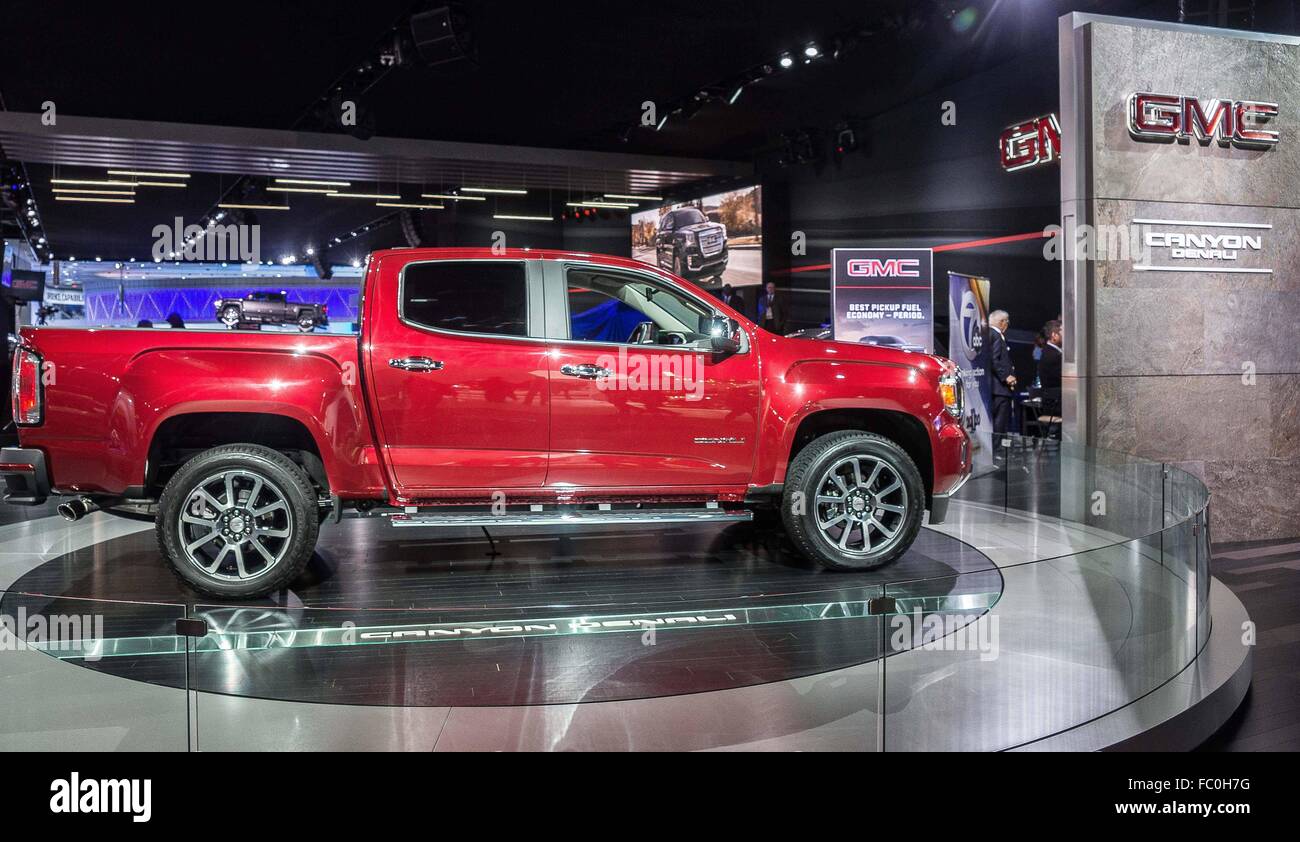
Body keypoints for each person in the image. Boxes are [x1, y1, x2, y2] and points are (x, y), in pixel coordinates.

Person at [987, 309, 1016, 453]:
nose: (1007, 325)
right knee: (1000, 421)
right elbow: (994, 359)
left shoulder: (988, 334)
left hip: (994, 387)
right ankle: (997, 450)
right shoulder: (996, 335)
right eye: (1007, 322)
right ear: (1002, 322)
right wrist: (1006, 376)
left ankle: (996, 449)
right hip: (1000, 388)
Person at [1036, 319, 1063, 417]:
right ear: (1054, 335)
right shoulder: (1053, 355)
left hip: (1054, 403)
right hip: (1056, 406)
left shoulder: (1050, 352)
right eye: (1064, 333)